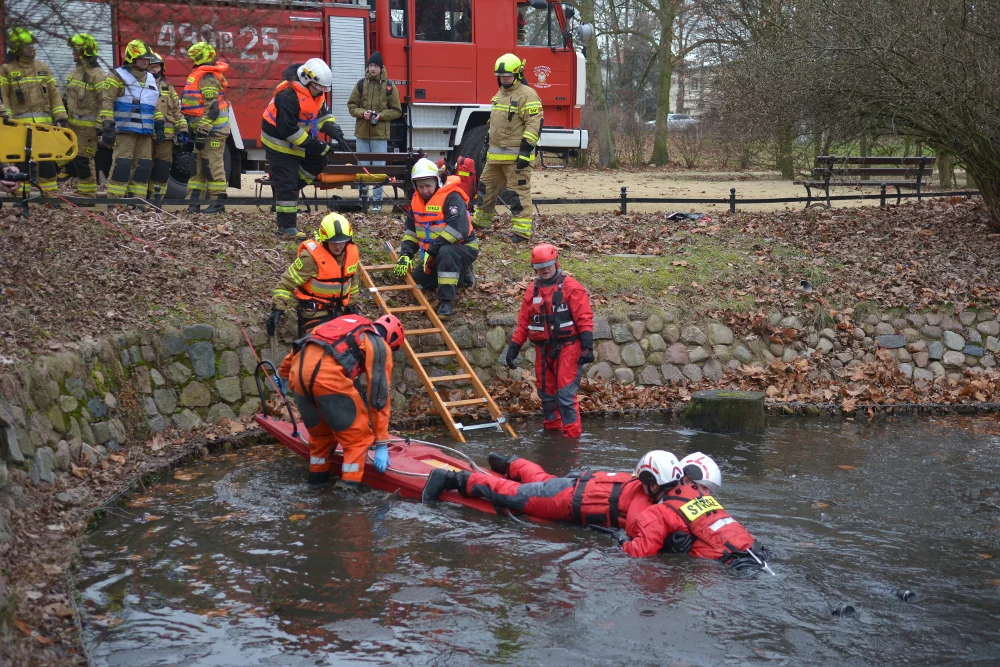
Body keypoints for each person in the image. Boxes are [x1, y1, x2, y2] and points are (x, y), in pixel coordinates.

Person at [423, 450, 772, 571]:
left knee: (542, 480)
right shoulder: (648, 505)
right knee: (515, 496)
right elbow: (639, 543)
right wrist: (672, 543)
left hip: (583, 483)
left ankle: (513, 461)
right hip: (571, 498)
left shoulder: (658, 493)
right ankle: (453, 479)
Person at [277, 313, 406, 486]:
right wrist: (381, 442)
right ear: (391, 340)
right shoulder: (378, 344)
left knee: (321, 437)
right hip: (328, 381)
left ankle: (316, 485)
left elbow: (300, 344)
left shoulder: (336, 325)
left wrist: (282, 374)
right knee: (358, 440)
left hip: (298, 378)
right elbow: (378, 397)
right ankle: (348, 499)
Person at [504, 244, 593, 438]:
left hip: (569, 347)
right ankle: (552, 433)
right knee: (547, 396)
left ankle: (571, 439)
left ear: (556, 263)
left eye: (548, 265)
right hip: (543, 350)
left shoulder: (571, 287)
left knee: (565, 396)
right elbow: (523, 324)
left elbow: (584, 318)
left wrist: (587, 347)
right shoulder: (532, 290)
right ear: (534, 268)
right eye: (540, 266)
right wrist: (513, 349)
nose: (545, 269)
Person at [261, 58, 346, 238]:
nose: (321, 91)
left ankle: (290, 186)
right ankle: (286, 227)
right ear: (307, 80)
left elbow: (323, 114)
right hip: (277, 142)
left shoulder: (315, 92)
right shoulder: (288, 96)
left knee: (319, 159)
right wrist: (316, 145)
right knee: (287, 181)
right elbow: (288, 131)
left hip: (296, 140)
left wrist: (333, 128)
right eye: (319, 87)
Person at [394, 158, 479, 319]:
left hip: (464, 247)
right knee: (417, 280)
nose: (425, 190)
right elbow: (411, 233)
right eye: (420, 186)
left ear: (437, 181)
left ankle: (446, 301)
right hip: (434, 253)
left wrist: (432, 250)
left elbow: (458, 230)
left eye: (428, 186)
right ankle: (461, 274)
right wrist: (405, 254)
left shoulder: (452, 197)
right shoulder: (416, 202)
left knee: (447, 252)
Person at [472, 53, 543, 242]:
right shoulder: (500, 95)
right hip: (495, 157)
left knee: (517, 194)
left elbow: (534, 123)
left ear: (517, 74)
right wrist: (486, 145)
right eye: (501, 76)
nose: (504, 79)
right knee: (485, 188)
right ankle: (480, 223)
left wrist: (525, 150)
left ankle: (521, 232)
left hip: (515, 157)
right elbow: (494, 122)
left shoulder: (527, 95)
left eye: (507, 76)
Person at [0, 28, 68, 203]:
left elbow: (54, 94)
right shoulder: (6, 70)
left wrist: (61, 117)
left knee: (47, 163)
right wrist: (6, 118)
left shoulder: (42, 67)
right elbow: (4, 96)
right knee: (21, 163)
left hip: (44, 127)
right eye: (28, 46)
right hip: (19, 127)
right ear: (17, 48)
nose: (32, 49)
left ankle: (51, 199)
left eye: (32, 45)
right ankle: (21, 199)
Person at [268, 212, 362, 338]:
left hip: (338, 311)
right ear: (324, 240)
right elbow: (286, 284)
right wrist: (277, 309)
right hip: (314, 313)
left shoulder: (349, 255)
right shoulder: (310, 259)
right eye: (333, 242)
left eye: (342, 242)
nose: (338, 246)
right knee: (322, 344)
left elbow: (352, 281)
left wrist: (352, 305)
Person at [99, 39, 160, 203]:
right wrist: (107, 125)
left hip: (145, 133)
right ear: (132, 58)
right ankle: (115, 202)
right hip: (125, 131)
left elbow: (155, 105)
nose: (146, 62)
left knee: (143, 167)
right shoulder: (117, 75)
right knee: (122, 165)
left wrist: (160, 125)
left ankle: (138, 202)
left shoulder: (151, 79)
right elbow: (107, 101)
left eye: (148, 59)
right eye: (143, 59)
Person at [347, 51, 402, 212]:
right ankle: (362, 200)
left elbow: (397, 111)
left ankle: (377, 203)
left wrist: (381, 116)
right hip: (362, 134)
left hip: (380, 135)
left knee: (379, 169)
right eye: (370, 65)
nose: (372, 69)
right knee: (362, 169)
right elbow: (352, 106)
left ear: (380, 67)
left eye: (375, 66)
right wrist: (362, 113)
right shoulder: (360, 84)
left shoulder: (389, 86)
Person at [181, 42, 229, 214]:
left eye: (194, 57)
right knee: (197, 167)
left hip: (212, 131)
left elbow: (212, 108)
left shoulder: (207, 77)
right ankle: (194, 202)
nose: (192, 60)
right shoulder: (201, 76)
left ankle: (218, 202)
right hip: (202, 130)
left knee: (212, 164)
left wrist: (202, 132)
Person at [65, 33, 106, 199]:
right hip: (72, 126)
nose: (73, 53)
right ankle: (84, 189)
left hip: (88, 128)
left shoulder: (97, 75)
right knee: (74, 159)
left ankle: (88, 193)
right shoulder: (75, 72)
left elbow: (105, 101)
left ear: (84, 52)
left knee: (84, 159)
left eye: (76, 50)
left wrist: (100, 124)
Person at [146, 52, 187, 201]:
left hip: (166, 138)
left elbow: (176, 110)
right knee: (143, 167)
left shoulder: (168, 88)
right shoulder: (140, 86)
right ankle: (140, 199)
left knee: (162, 169)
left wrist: (183, 129)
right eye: (150, 66)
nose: (153, 69)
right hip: (146, 135)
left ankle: (157, 200)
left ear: (162, 68)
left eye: (156, 66)